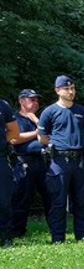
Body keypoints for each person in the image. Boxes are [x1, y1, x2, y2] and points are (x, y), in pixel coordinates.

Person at [37, 75, 84, 243]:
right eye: (67, 89)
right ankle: (58, 237)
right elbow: (42, 137)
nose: (70, 91)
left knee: (81, 201)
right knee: (58, 201)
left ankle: (82, 235)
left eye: (72, 88)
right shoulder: (49, 112)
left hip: (79, 160)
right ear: (57, 91)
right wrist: (58, 146)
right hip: (59, 162)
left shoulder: (83, 111)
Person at [10, 89, 49, 237]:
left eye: (37, 100)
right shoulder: (15, 118)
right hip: (23, 163)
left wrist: (37, 122)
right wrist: (38, 132)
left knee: (50, 197)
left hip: (42, 162)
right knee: (22, 199)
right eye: (31, 99)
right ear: (21, 101)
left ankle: (56, 231)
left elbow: (49, 137)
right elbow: (15, 139)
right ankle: (17, 232)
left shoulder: (40, 119)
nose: (35, 103)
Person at [1, 97, 21, 247]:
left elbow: (14, 131)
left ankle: (6, 237)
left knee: (4, 200)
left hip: (0, 159)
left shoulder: (3, 105)